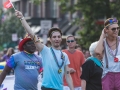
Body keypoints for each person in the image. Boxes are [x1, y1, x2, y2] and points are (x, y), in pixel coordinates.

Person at [15, 10, 74, 90]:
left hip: (60, 88)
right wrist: (22, 18)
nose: (57, 39)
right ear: (50, 39)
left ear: (61, 39)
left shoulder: (65, 56)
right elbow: (32, 34)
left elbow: (67, 75)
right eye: (54, 37)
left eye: (58, 37)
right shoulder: (45, 50)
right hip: (47, 88)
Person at [95, 18, 120, 90]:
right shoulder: (103, 42)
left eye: (117, 28)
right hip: (107, 75)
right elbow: (98, 52)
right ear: (106, 30)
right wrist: (102, 35)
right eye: (113, 29)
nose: (116, 31)